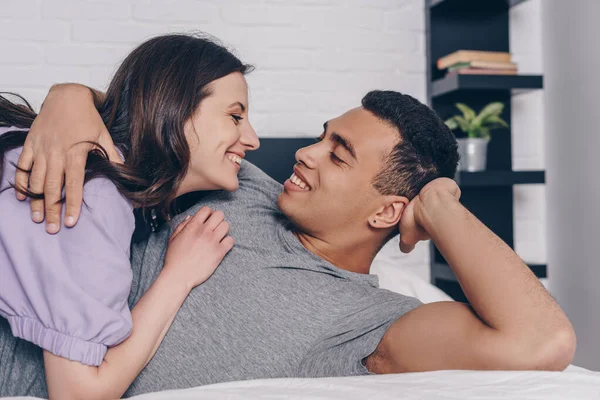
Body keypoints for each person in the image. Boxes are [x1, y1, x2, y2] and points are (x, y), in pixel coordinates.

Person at [2, 90, 576, 398]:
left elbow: (542, 342)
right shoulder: (243, 182)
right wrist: (69, 96)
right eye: (322, 135)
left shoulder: (370, 324)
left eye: (337, 152)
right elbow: (146, 112)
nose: (305, 151)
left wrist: (441, 205)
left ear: (388, 211)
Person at [0, 33, 259, 399]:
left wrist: (73, 94)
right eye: (235, 116)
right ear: (175, 110)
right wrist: (179, 275)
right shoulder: (91, 195)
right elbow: (78, 395)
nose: (252, 139)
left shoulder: (96, 170)